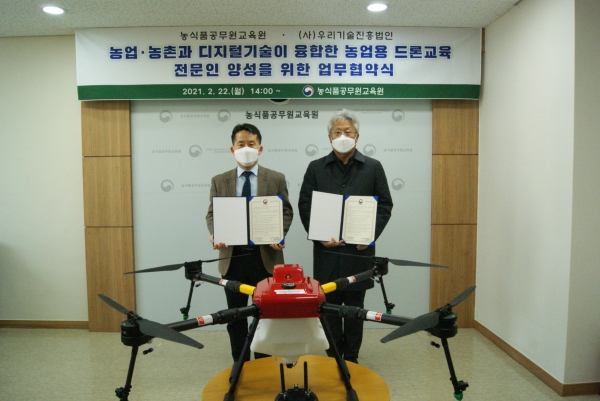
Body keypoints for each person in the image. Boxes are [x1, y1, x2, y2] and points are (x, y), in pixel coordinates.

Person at [298, 109, 393, 364]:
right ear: (329, 137)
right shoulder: (316, 168)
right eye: (337, 132)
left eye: (348, 132)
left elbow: (384, 205)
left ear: (357, 136)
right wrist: (318, 236)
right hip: (327, 253)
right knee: (328, 310)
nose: (342, 136)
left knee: (354, 311)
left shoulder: (373, 167)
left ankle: (351, 358)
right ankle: (333, 357)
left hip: (358, 255)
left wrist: (369, 234)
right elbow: (305, 205)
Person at [206, 123, 293, 362]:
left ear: (260, 148)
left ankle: (263, 364)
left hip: (265, 259)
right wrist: (215, 233)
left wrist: (279, 233)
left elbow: (286, 211)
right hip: (232, 258)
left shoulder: (275, 178)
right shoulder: (219, 180)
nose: (246, 149)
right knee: (235, 316)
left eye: (251, 144)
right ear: (232, 149)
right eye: (241, 144)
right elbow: (212, 214)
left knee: (265, 316)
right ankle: (240, 363)